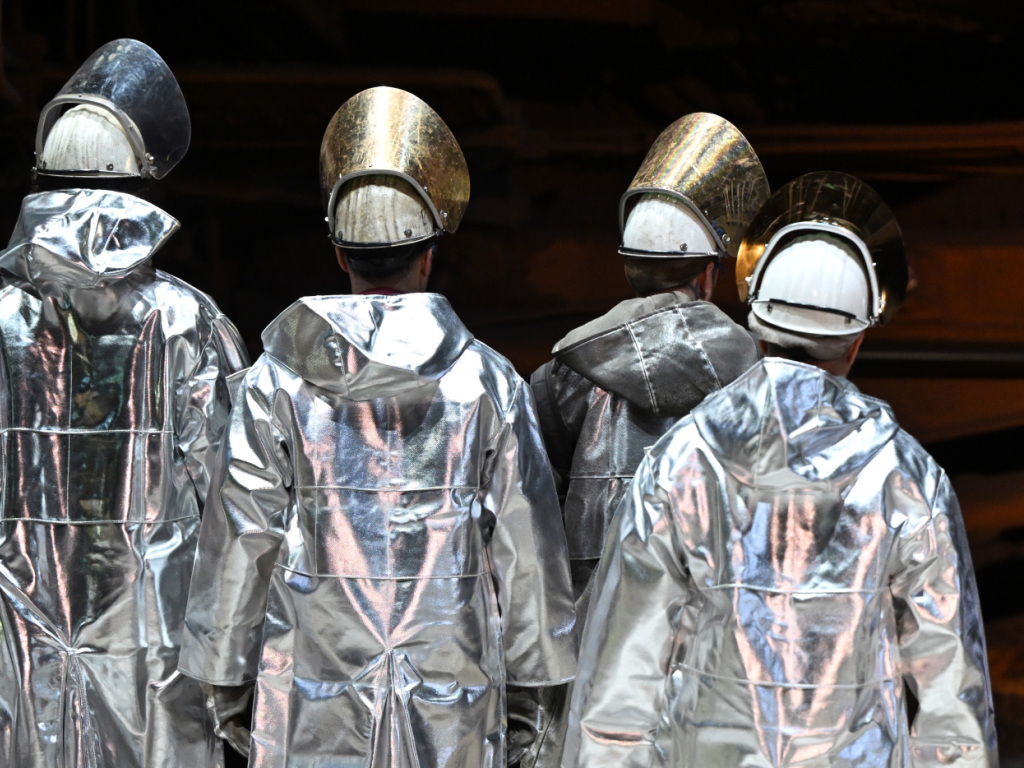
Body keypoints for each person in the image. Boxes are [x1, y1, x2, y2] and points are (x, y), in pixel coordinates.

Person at [179, 86, 577, 768]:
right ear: (430, 254)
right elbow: (526, 549)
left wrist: (225, 679)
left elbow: (243, 536)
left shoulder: (277, 384)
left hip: (311, 694)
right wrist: (535, 694)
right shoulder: (488, 383)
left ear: (340, 255)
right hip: (452, 695)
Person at [564, 171, 998, 767]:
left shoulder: (681, 461)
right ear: (855, 341)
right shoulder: (906, 477)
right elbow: (951, 694)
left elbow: (621, 685)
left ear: (756, 326)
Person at [0, 40, 249, 768]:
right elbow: (236, 502)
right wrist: (236, 665)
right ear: (139, 187)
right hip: (156, 657)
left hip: (17, 651)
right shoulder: (188, 322)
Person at [531, 112, 769, 601]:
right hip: (707, 619)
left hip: (595, 628)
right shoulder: (753, 373)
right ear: (708, 274)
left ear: (630, 268)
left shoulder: (565, 375)